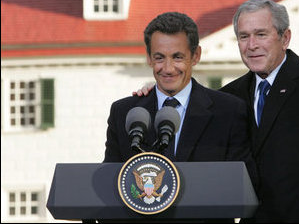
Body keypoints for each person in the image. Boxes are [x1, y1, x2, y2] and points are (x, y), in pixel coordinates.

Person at [133, 0, 299, 223]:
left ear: (285, 38)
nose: (251, 45)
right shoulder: (230, 96)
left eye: (261, 34)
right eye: (244, 36)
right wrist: (159, 95)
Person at [103, 12, 256, 187]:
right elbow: (110, 183)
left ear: (196, 55)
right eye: (159, 57)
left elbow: (245, 184)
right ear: (148, 57)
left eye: (177, 57)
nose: (168, 69)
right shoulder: (124, 113)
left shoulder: (229, 111)